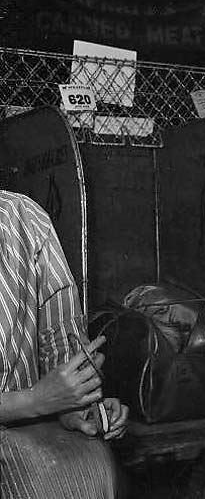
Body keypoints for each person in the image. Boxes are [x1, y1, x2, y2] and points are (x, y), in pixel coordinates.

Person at [0, 189, 129, 498]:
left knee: (95, 471)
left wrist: (75, 402)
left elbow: (61, 338)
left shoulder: (24, 217)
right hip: (25, 413)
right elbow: (37, 400)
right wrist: (35, 401)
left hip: (21, 433)